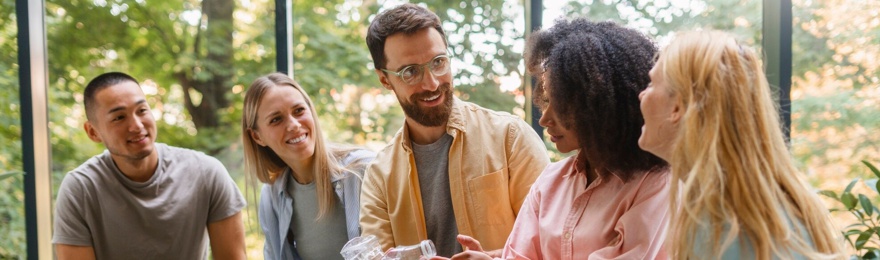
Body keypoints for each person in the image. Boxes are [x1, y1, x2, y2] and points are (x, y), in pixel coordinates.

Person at [442, 19, 671, 260]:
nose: (545, 119)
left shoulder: (654, 184)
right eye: (547, 100)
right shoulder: (550, 181)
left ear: (601, 107)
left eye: (561, 105)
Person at [360, 3, 550, 257]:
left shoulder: (510, 138)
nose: (432, 82)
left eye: (438, 62)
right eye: (411, 72)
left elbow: (553, 243)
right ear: (385, 80)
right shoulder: (379, 175)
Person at [638, 30, 844, 259]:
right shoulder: (767, 210)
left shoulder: (720, 226)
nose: (641, 96)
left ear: (677, 107)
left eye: (651, 84)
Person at [53, 72, 247, 260]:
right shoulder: (80, 189)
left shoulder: (206, 173)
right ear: (93, 132)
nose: (137, 125)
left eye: (142, 111)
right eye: (119, 117)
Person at [242, 72, 375, 259]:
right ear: (257, 136)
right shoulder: (272, 197)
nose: (294, 125)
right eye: (276, 119)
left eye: (299, 111)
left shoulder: (363, 170)